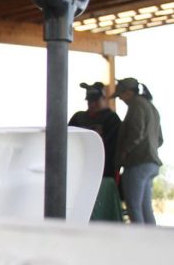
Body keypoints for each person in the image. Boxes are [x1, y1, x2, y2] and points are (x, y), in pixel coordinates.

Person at [112, 77, 163, 225]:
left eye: (120, 95)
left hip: (137, 163)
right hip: (151, 163)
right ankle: (152, 244)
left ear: (128, 92)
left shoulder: (136, 105)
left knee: (134, 207)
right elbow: (159, 139)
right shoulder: (150, 107)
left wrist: (123, 154)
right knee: (145, 208)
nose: (120, 99)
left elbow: (136, 133)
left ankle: (138, 245)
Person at [68, 82, 121, 179]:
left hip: (104, 170)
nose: (92, 104)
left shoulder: (112, 119)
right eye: (89, 101)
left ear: (103, 99)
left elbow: (113, 146)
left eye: (96, 101)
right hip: (80, 167)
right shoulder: (78, 117)